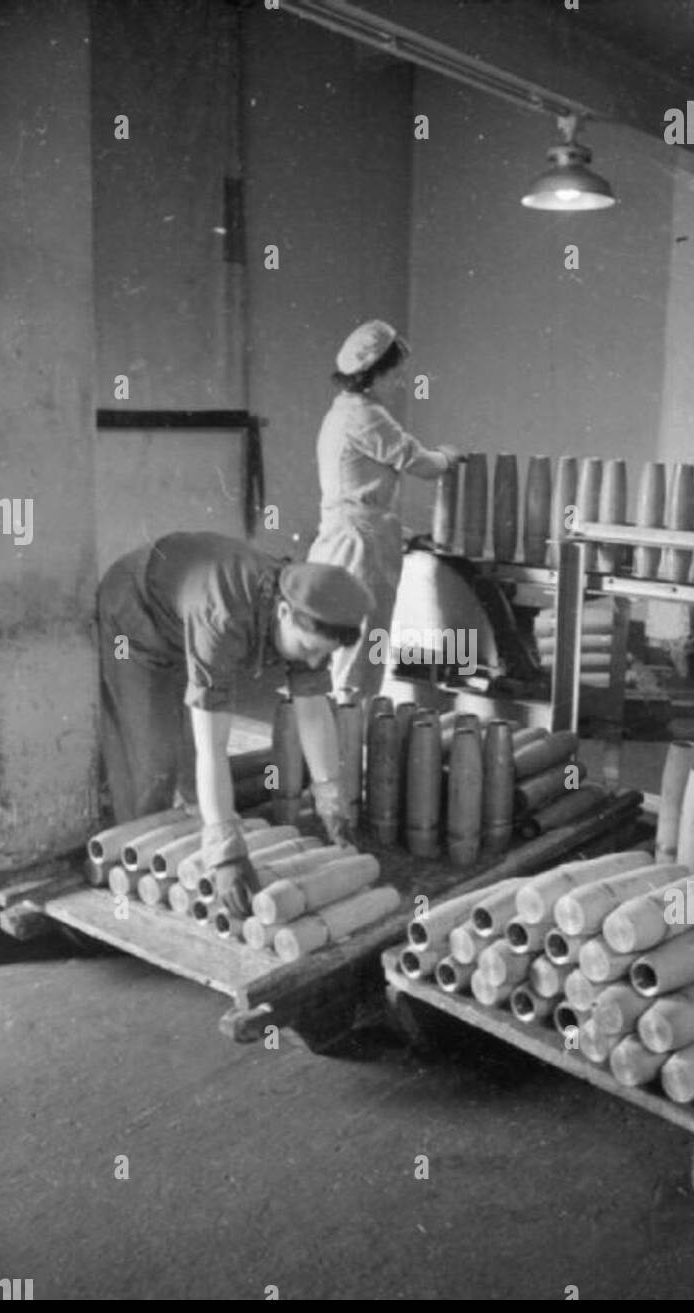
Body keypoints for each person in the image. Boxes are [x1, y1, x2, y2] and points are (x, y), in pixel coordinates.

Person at [97, 531, 373, 916]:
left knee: (196, 787)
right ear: (282, 613)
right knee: (153, 763)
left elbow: (312, 708)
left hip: (185, 615)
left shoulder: (311, 613)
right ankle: (132, 888)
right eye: (308, 650)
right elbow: (214, 747)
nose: (312, 663)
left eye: (321, 656)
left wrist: (331, 799)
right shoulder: (223, 620)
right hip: (137, 615)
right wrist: (226, 852)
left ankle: (195, 875)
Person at [308, 319, 465, 696]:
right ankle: (352, 739)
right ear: (372, 374)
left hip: (344, 538)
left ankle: (343, 732)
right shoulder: (365, 415)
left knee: (348, 645)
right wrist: (447, 458)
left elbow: (359, 487)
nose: (400, 383)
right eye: (395, 374)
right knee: (361, 647)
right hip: (360, 546)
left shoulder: (340, 413)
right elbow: (419, 462)